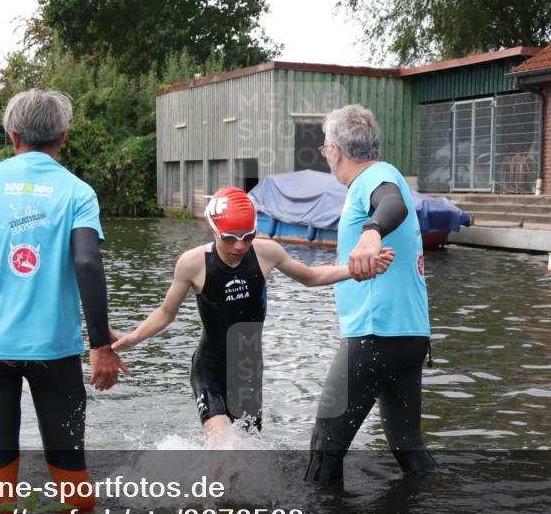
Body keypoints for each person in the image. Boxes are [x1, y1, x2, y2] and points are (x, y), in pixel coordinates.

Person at [0, 88, 126, 514]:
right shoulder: (77, 192)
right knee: (70, 470)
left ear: (12, 135)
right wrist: (100, 345)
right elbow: (87, 264)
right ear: (63, 137)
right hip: (55, 351)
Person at [112, 186, 395, 444]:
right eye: (230, 238)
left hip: (247, 371)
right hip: (210, 368)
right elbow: (166, 313)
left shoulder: (266, 253)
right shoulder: (192, 263)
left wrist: (356, 270)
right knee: (224, 444)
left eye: (247, 236)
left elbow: (311, 276)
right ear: (213, 230)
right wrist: (132, 339)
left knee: (246, 454)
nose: (239, 246)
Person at [305, 104, 435, 486]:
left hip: (375, 335)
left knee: (324, 447)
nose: (326, 154)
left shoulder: (374, 177)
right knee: (408, 447)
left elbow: (391, 203)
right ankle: (441, 512)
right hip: (409, 336)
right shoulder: (379, 176)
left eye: (325, 147)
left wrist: (372, 231)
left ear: (335, 150)